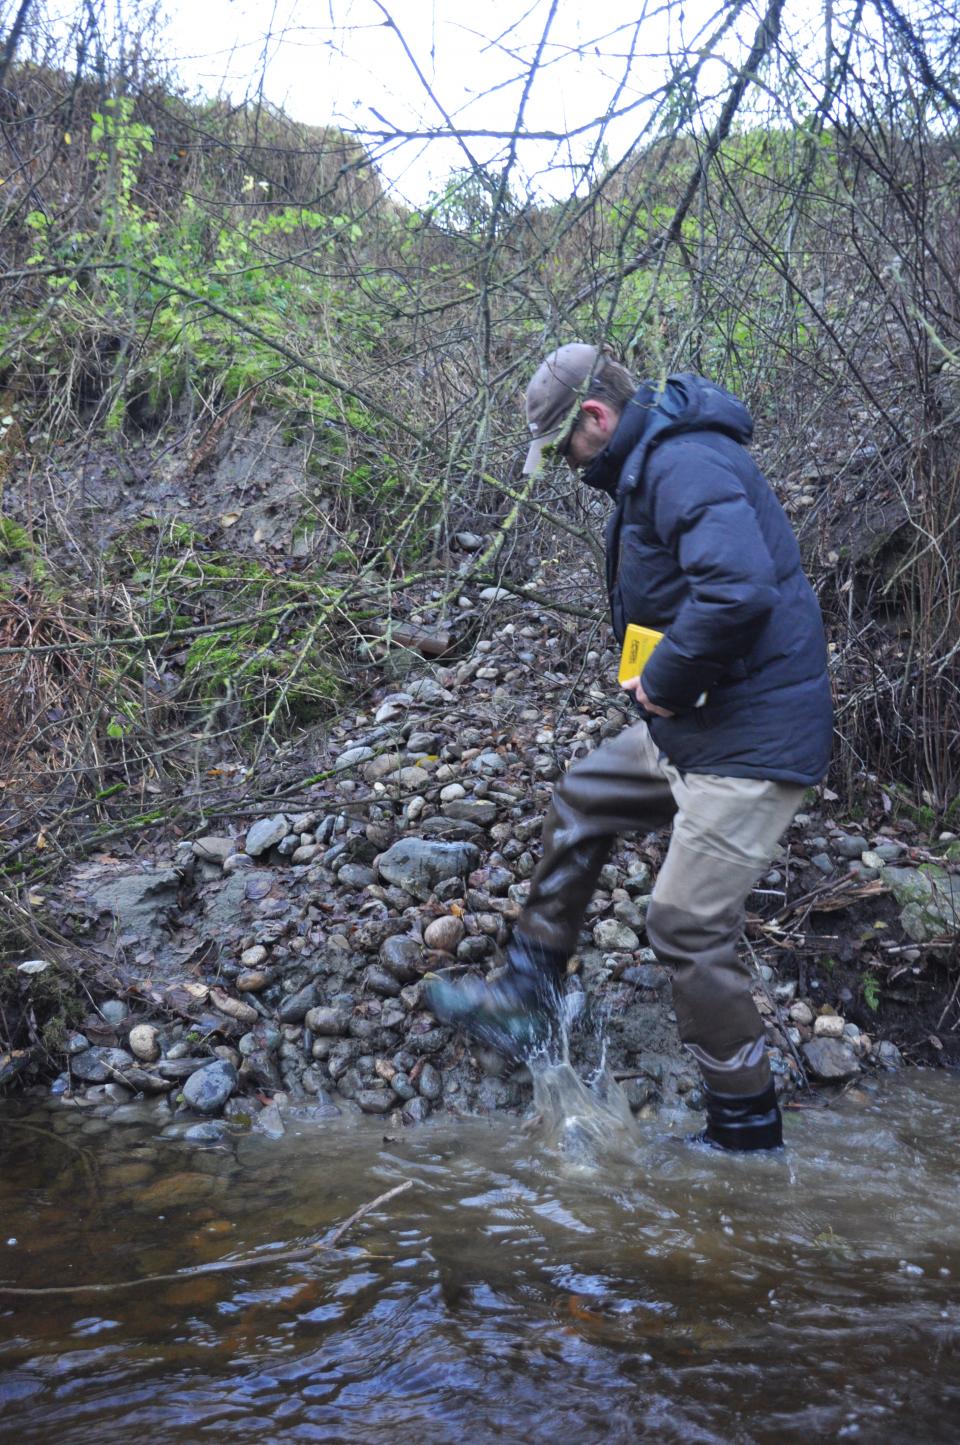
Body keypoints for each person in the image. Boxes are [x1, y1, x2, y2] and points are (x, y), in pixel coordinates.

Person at [426, 344, 833, 1151]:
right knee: (587, 792)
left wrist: (668, 678)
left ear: (596, 418)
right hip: (701, 727)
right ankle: (529, 989)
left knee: (684, 925)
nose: (566, 466)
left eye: (563, 447)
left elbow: (739, 588)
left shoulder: (683, 463)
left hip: (751, 744)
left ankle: (745, 1131)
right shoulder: (651, 465)